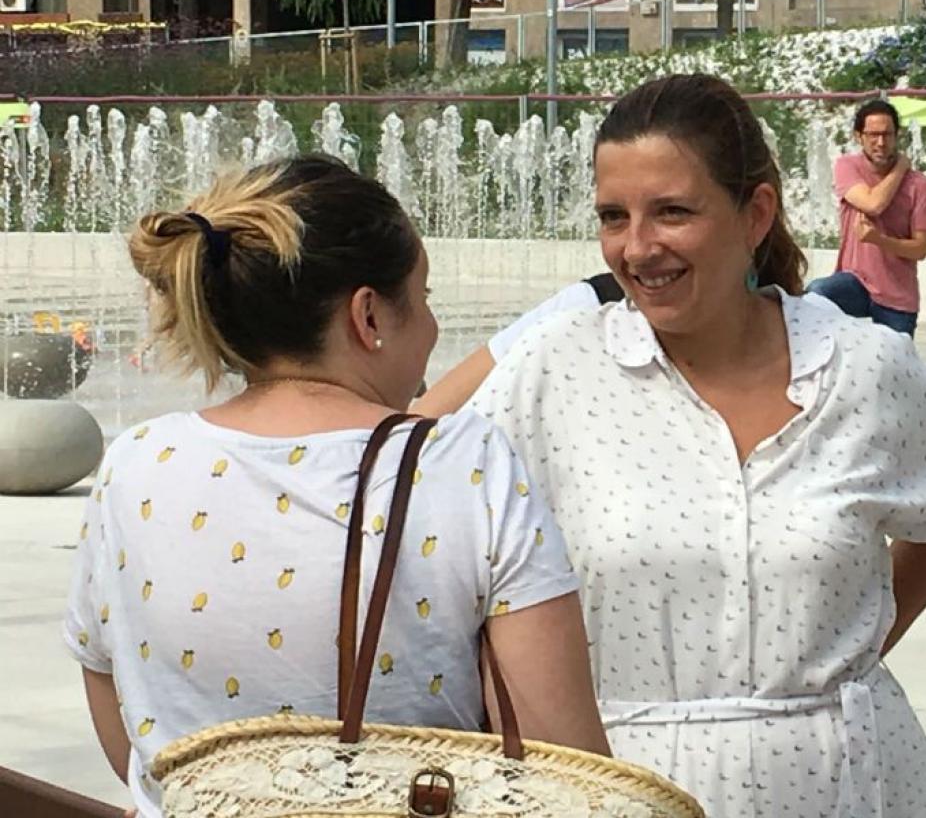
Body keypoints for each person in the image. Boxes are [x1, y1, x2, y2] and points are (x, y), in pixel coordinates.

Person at [468, 74, 926, 816]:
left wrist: (865, 638)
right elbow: (451, 535)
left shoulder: (863, 368)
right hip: (628, 792)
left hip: (849, 785)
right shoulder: (556, 369)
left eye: (673, 212)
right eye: (613, 216)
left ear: (756, 214)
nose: (637, 247)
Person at [62, 155, 609, 818]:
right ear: (369, 317)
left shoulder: (135, 464)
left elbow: (122, 721)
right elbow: (561, 761)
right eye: (425, 297)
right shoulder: (462, 462)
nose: (433, 327)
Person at [805, 99, 926, 337]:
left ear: (897, 136)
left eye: (887, 134)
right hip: (856, 282)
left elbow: (920, 249)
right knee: (817, 294)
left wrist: (880, 240)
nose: (881, 142)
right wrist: (899, 169)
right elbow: (873, 204)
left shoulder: (919, 185)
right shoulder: (847, 167)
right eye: (873, 135)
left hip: (897, 296)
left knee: (897, 370)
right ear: (859, 136)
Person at [413, 272, 623, 417]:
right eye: (613, 216)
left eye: (658, 214)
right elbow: (425, 418)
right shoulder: (586, 306)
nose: (637, 249)